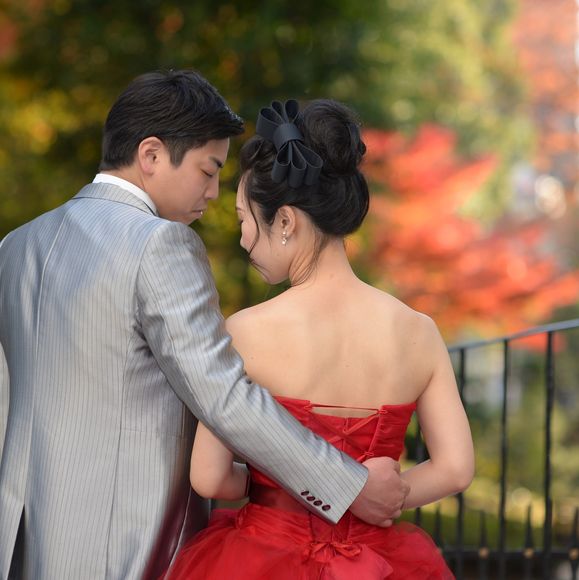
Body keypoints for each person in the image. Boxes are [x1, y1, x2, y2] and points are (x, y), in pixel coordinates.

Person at [0, 72, 408, 580]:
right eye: (207, 170)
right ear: (151, 155)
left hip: (20, 541)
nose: (214, 192)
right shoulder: (159, 244)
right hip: (123, 545)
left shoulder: (16, 246)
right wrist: (347, 486)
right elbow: (224, 396)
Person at [164, 99, 475, 579]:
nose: (244, 239)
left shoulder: (246, 331)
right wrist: (376, 496)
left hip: (262, 556)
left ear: (285, 221)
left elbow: (209, 477)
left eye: (245, 219)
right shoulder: (418, 331)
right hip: (378, 561)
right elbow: (455, 468)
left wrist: (275, 481)